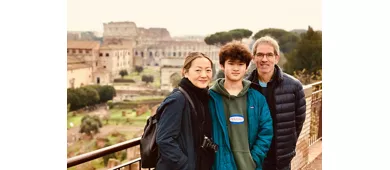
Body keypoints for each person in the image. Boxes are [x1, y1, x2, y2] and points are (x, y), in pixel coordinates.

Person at [208, 42, 273, 170]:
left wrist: (254, 159)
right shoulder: (210, 98)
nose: (236, 68)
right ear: (222, 65)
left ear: (247, 67)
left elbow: (266, 131)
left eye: (240, 64)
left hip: (249, 166)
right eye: (231, 64)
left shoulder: (257, 99)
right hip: (218, 166)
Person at [246, 36, 307, 170]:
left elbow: (299, 121)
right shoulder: (244, 87)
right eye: (260, 55)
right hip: (252, 158)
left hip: (281, 158)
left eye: (269, 55)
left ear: (276, 58)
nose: (264, 59)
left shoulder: (294, 86)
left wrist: (288, 147)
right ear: (253, 58)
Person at [156, 52, 216, 170]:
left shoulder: (204, 97)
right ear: (185, 72)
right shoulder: (177, 100)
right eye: (198, 70)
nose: (204, 75)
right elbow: (164, 139)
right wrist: (185, 165)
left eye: (208, 70)